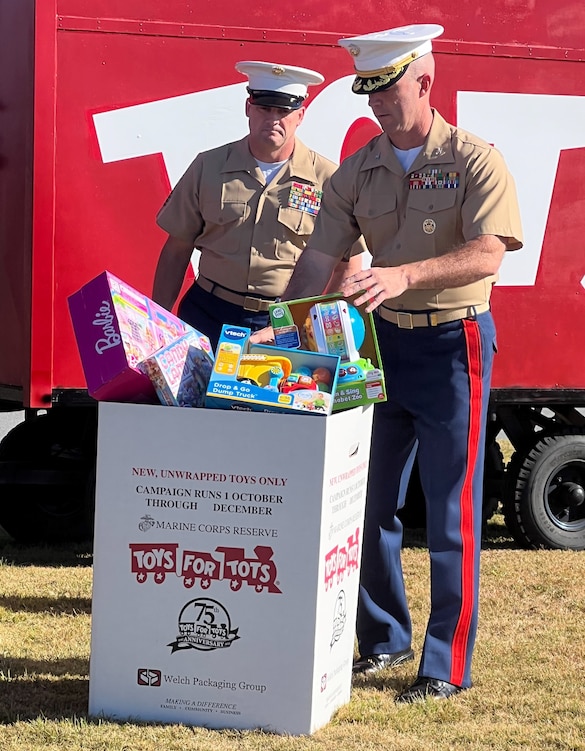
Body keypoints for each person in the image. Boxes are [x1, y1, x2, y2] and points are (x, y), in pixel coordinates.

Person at [258, 24, 523, 702]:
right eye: (368, 94)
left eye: (388, 91)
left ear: (425, 83)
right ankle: (382, 639)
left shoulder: (474, 159)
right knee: (366, 500)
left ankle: (443, 663)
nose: (376, 106)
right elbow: (318, 260)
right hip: (379, 346)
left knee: (449, 509)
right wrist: (277, 332)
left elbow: (489, 252)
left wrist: (403, 276)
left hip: (452, 345)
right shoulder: (357, 169)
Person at [152, 60, 365, 348]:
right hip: (207, 313)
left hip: (281, 323)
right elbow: (177, 249)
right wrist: (158, 321)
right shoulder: (209, 167)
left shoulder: (328, 180)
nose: (274, 119)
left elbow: (347, 266)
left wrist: (320, 331)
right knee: (194, 394)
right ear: (248, 108)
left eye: (284, 111)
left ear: (301, 115)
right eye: (265, 108)